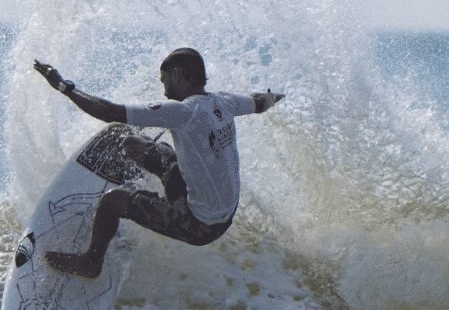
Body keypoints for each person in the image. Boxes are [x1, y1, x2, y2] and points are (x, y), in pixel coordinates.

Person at [30, 47, 283, 279]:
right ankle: (137, 195)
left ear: (178, 75)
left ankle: (91, 262)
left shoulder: (182, 112)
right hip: (225, 212)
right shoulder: (225, 101)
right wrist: (273, 97)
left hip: (200, 224)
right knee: (133, 144)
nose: (164, 90)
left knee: (111, 201)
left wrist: (63, 86)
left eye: (165, 81)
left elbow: (109, 112)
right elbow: (259, 102)